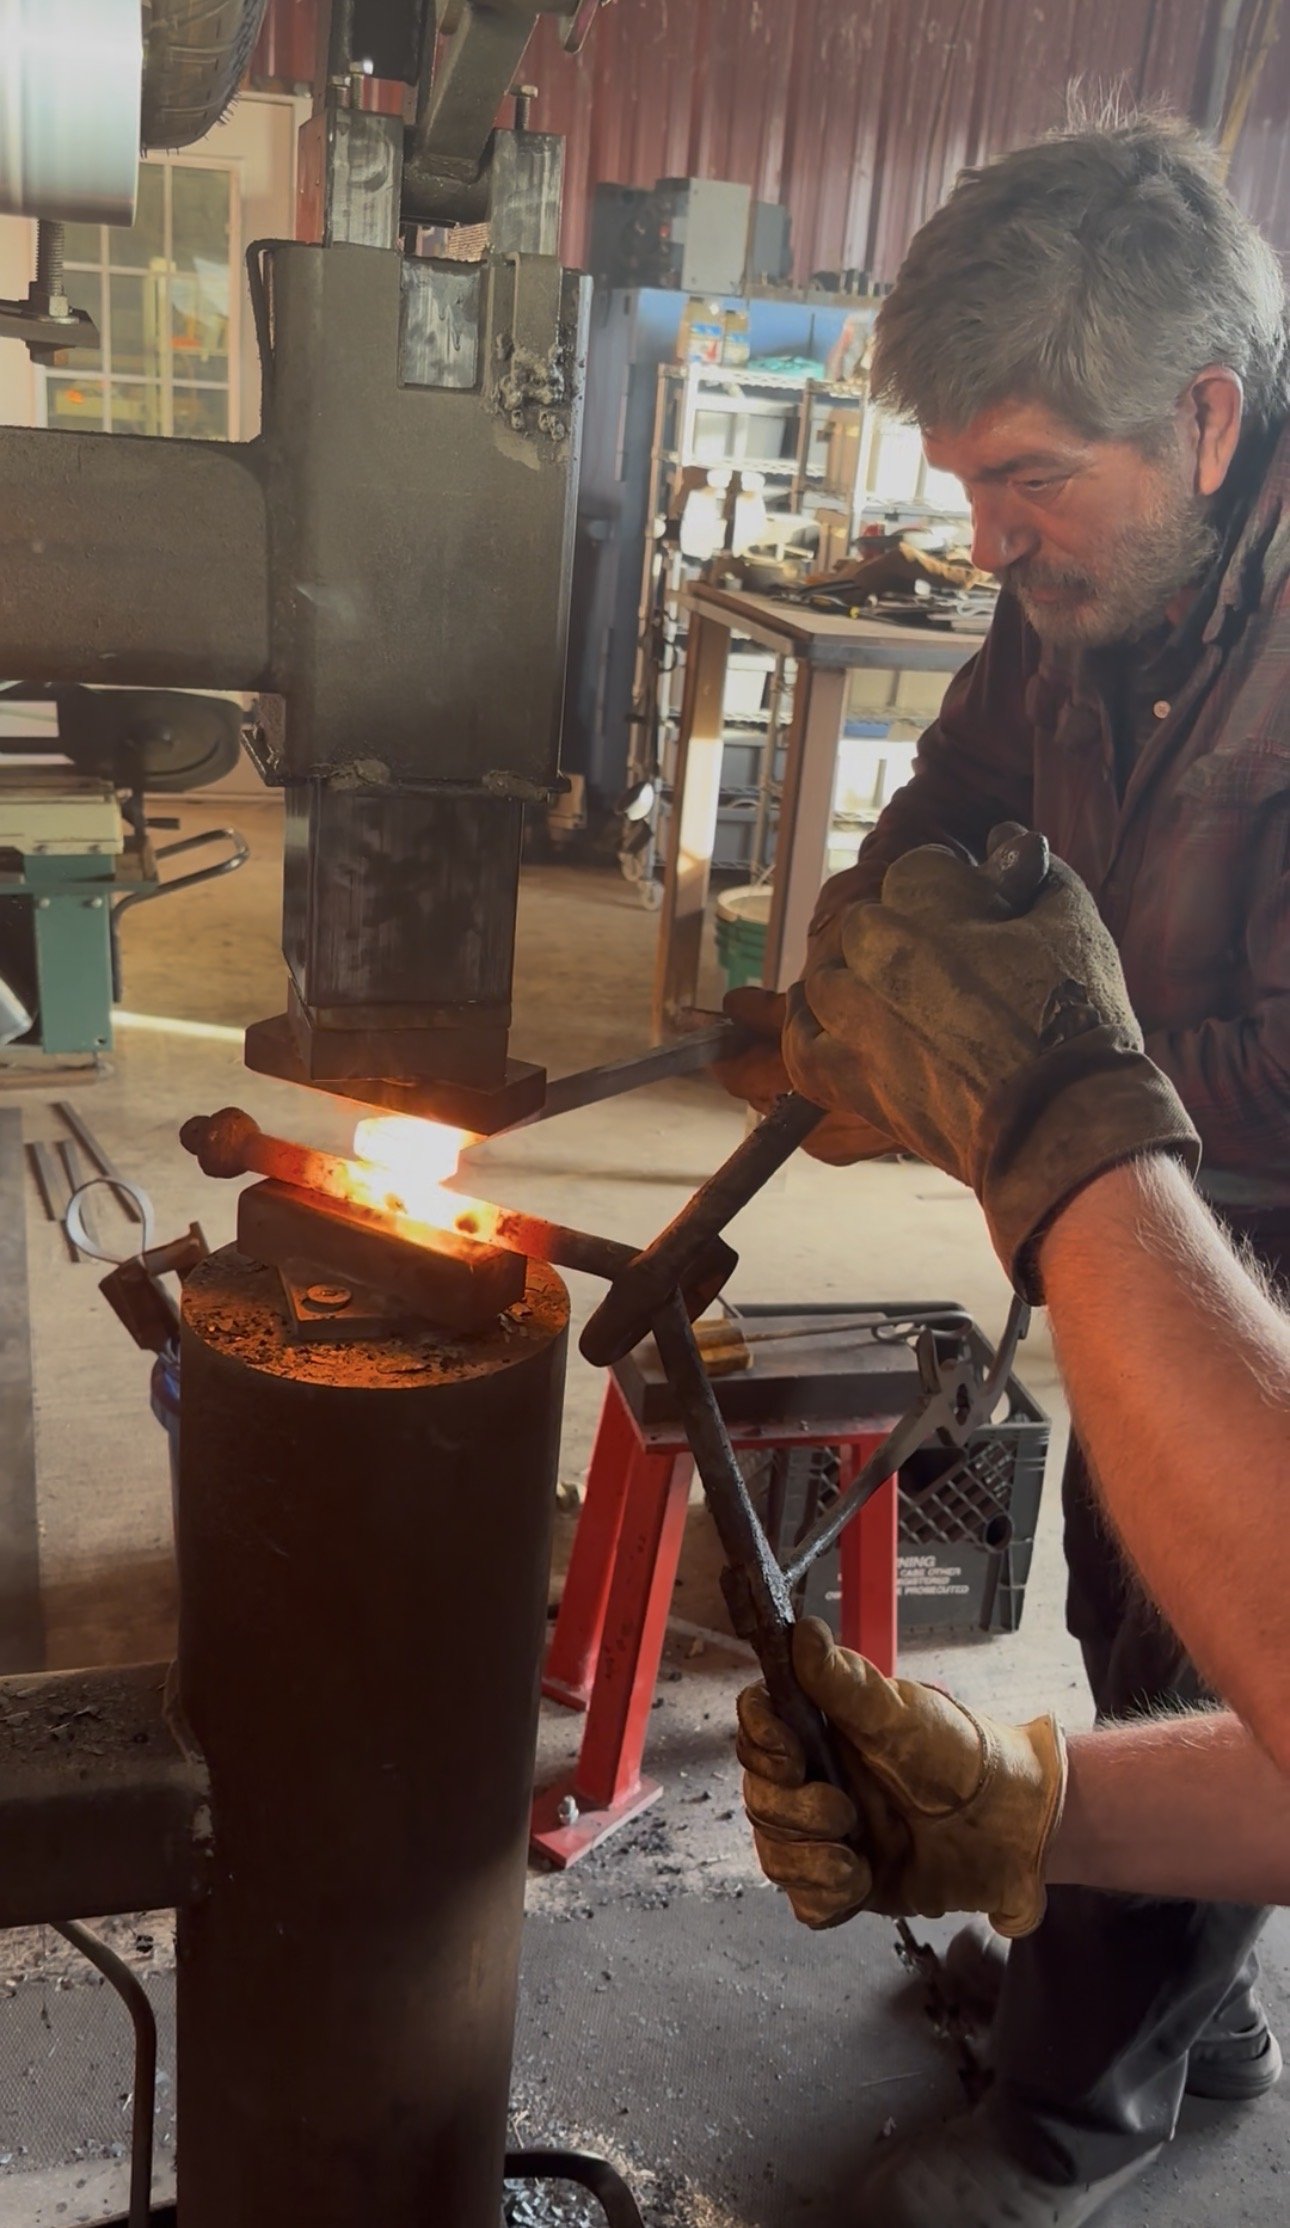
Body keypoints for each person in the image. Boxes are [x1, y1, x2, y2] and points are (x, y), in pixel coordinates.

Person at [718, 114, 1290, 2226]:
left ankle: (1071, 2118)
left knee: (1201, 1658)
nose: (992, 540)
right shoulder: (1087, 603)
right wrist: (863, 967)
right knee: (1115, 1595)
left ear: (1206, 418)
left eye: (1031, 478)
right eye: (968, 487)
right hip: (1127, 1217)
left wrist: (1023, 1091)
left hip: (1270, 1275)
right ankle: (1189, 2014)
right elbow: (959, 805)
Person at [734, 833, 1290, 2226]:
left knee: (1200, 1619)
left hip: (1202, 1205)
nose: (1014, 593)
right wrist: (1032, 1814)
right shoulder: (1055, 638)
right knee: (1139, 1614)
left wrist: (1059, 1106)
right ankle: (1184, 1999)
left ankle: (1080, 2099)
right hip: (1168, 1226)